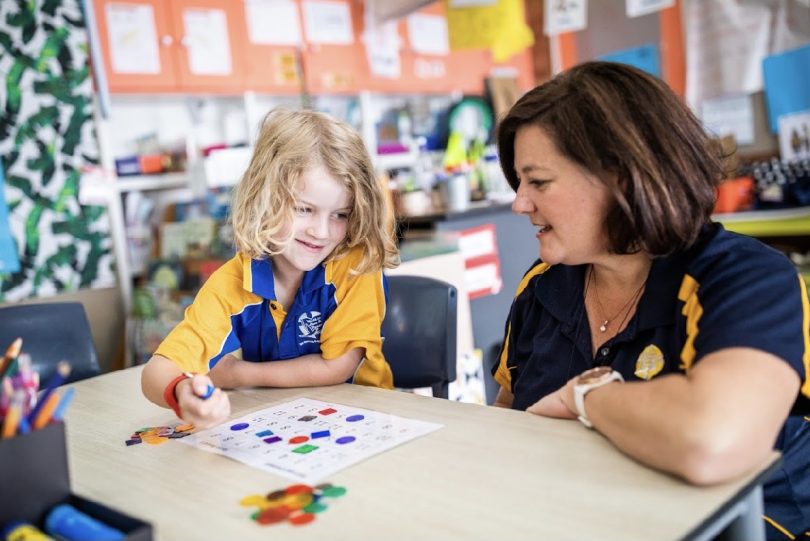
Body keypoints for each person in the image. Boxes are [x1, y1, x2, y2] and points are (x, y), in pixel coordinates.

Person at [492, 61, 809, 539]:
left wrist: (589, 396)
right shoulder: (542, 285)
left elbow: (712, 440)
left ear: (623, 178)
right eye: (518, 182)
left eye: (538, 181)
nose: (520, 202)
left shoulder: (748, 277)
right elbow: (511, 416)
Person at [142, 108, 400, 430]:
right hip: (286, 422)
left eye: (341, 214)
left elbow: (338, 367)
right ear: (264, 198)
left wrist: (237, 375)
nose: (321, 231)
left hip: (367, 419)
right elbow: (157, 370)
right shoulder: (235, 282)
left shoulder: (356, 265)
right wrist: (182, 392)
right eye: (304, 209)